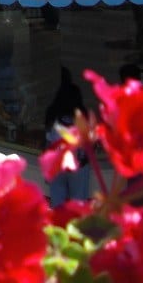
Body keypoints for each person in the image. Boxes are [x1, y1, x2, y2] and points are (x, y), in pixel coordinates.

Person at [43, 69, 92, 205]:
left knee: (57, 205)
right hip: (78, 165)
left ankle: (59, 224)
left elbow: (47, 145)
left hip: (57, 165)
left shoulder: (52, 115)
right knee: (78, 206)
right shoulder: (82, 116)